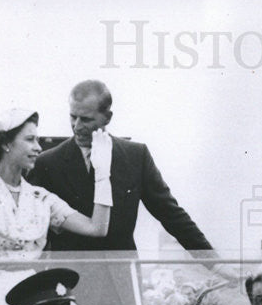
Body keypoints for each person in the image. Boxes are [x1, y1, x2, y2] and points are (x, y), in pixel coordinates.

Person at [27, 79, 214, 254]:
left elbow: (171, 215)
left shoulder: (136, 156)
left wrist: (216, 264)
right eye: (72, 117)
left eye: (85, 119)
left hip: (122, 278)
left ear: (107, 117)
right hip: (70, 280)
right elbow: (35, 229)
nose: (76, 126)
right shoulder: (47, 163)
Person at [0, 109, 113, 255]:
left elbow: (97, 228)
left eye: (37, 140)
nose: (38, 148)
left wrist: (102, 172)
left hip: (30, 289)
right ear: (6, 143)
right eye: (30, 139)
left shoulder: (41, 198)